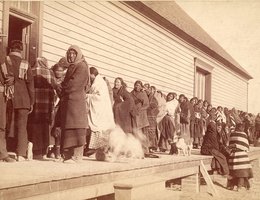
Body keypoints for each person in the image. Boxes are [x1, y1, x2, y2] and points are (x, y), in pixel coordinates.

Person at [2, 40, 34, 161]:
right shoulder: (25, 63)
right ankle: (21, 154)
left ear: (10, 49)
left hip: (8, 97)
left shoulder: (5, 60)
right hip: (24, 99)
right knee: (22, 126)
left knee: (6, 125)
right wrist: (32, 101)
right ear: (21, 50)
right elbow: (30, 84)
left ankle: (6, 151)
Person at [60, 45, 90, 163]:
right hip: (70, 102)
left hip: (76, 102)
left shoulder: (81, 66)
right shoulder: (73, 66)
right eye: (69, 53)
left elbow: (74, 84)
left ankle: (77, 156)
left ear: (78, 54)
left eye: (73, 53)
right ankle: (68, 156)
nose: (71, 55)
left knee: (77, 128)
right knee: (69, 128)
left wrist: (62, 88)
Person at [27, 57, 56, 159]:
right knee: (44, 128)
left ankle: (35, 151)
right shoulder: (50, 72)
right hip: (46, 105)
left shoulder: (31, 70)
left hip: (35, 105)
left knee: (34, 128)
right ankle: (44, 152)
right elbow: (54, 87)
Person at [86, 67, 115, 152]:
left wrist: (88, 96)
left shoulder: (99, 83)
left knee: (98, 127)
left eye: (90, 75)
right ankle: (95, 148)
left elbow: (100, 97)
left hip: (100, 109)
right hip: (99, 108)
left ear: (92, 74)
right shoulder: (97, 82)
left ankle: (96, 148)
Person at [201, 112, 230, 177]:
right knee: (222, 157)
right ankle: (226, 173)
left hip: (209, 149)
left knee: (219, 156)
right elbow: (215, 145)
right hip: (207, 149)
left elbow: (218, 143)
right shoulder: (212, 134)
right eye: (217, 127)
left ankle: (219, 170)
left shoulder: (214, 133)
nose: (218, 129)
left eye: (220, 127)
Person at [227, 122, 253, 191]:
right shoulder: (243, 134)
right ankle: (240, 186)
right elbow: (246, 146)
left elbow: (230, 144)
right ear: (241, 127)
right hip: (241, 155)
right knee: (242, 172)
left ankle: (231, 186)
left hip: (233, 155)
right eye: (242, 127)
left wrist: (234, 147)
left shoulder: (232, 134)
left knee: (233, 172)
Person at [130, 80, 150, 153]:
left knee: (142, 133)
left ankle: (145, 150)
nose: (136, 86)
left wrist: (140, 109)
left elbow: (147, 104)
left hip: (141, 115)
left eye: (138, 85)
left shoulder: (143, 93)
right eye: (135, 85)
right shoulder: (131, 93)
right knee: (134, 132)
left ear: (141, 86)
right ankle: (135, 149)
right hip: (133, 114)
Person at [143, 85, 159, 152]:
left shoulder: (153, 98)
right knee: (145, 131)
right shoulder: (143, 95)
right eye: (145, 89)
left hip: (151, 116)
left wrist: (147, 106)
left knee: (152, 132)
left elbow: (155, 105)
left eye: (147, 89)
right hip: (145, 115)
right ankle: (146, 146)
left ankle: (152, 146)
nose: (146, 90)